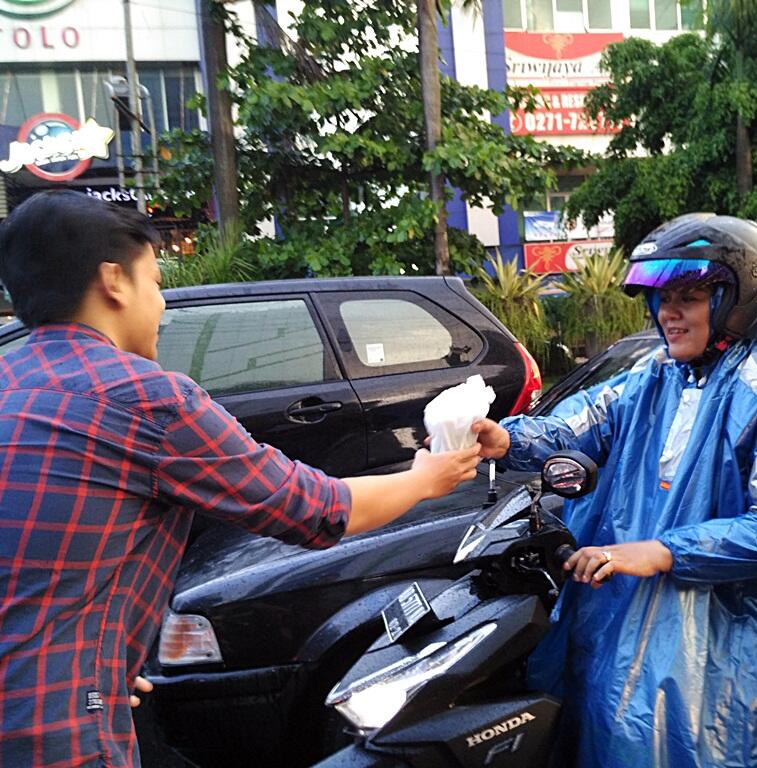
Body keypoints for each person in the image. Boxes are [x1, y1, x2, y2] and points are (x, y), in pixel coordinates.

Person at [0, 191, 481, 768]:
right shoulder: (144, 399)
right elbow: (317, 509)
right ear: (114, 282)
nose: (159, 305)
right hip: (58, 734)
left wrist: (97, 665)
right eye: (154, 283)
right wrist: (426, 478)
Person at [473, 214, 757, 767]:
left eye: (688, 297)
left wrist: (665, 553)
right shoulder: (654, 375)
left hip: (718, 635)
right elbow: (575, 425)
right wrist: (501, 438)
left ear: (739, 300)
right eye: (659, 298)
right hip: (614, 606)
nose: (667, 313)